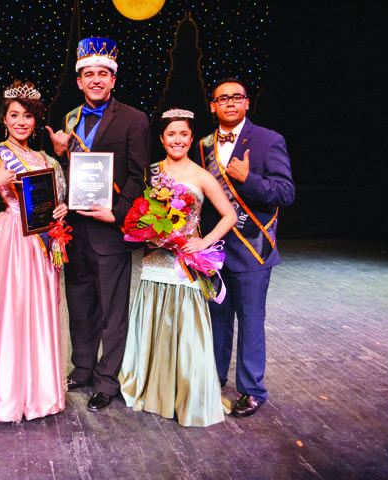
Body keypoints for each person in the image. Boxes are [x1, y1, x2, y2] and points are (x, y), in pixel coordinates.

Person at [46, 37, 151, 411]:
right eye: (88, 73)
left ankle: (108, 380)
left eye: (102, 74)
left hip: (110, 230)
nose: (95, 80)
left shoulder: (135, 119)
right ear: (78, 80)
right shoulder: (70, 119)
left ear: (113, 80)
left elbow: (140, 176)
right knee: (80, 303)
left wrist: (119, 213)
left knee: (112, 309)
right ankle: (83, 368)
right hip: (76, 229)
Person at [119, 108, 237, 427]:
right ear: (162, 138)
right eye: (171, 134)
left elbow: (229, 215)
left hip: (185, 264)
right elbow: (139, 213)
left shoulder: (202, 175)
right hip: (155, 261)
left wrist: (204, 242)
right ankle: (152, 389)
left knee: (186, 331)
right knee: (154, 323)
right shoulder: (151, 172)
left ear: (190, 137)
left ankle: (186, 394)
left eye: (184, 134)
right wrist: (148, 230)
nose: (178, 139)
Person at [0, 81, 69, 422]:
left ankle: (41, 393)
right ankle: (10, 395)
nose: (21, 122)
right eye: (14, 115)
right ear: (4, 119)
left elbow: (56, 201)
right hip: (13, 237)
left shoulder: (46, 159)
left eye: (28, 116)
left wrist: (61, 210)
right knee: (13, 312)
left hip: (42, 243)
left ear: (36, 120)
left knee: (41, 312)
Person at [198, 77, 295, 417]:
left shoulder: (269, 140)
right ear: (212, 105)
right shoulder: (202, 146)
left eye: (236, 97)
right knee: (217, 321)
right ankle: (213, 378)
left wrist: (247, 180)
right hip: (214, 250)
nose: (229, 103)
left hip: (253, 249)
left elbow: (285, 193)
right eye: (222, 98)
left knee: (251, 322)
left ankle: (252, 390)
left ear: (247, 103)